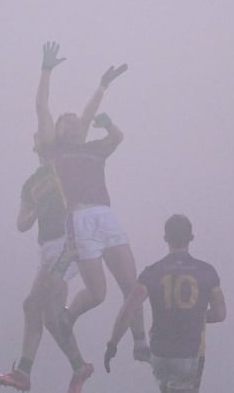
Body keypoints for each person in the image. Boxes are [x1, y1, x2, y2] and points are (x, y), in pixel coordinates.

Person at [33, 42, 150, 360]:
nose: (72, 123)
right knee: (98, 294)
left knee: (132, 283)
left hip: (105, 216)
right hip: (79, 220)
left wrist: (103, 88)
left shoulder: (93, 149)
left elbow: (114, 136)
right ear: (57, 131)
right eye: (65, 121)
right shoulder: (53, 152)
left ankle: (140, 342)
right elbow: (42, 108)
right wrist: (46, 71)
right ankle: (69, 317)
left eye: (75, 121)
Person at [0, 132, 93, 393]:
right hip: (46, 248)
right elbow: (21, 223)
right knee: (51, 317)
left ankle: (23, 372)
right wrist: (36, 210)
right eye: (37, 137)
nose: (41, 139)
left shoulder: (63, 165)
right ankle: (80, 367)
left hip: (67, 242)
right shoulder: (31, 183)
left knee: (31, 304)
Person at [104, 214, 227, 393]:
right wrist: (192, 316)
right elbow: (220, 314)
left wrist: (112, 344)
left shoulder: (153, 272)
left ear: (165, 238)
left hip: (160, 354)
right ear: (191, 238)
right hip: (190, 353)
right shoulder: (207, 272)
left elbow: (129, 309)